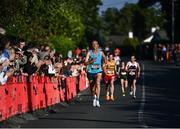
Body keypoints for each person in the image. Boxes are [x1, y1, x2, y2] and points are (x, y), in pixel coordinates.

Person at [85, 40, 107, 107]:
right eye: (93, 44)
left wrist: (104, 63)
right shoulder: (89, 53)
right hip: (90, 71)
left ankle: (97, 99)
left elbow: (105, 59)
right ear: (92, 45)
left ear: (98, 45)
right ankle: (94, 97)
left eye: (96, 44)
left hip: (98, 71)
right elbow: (85, 63)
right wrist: (91, 61)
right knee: (92, 87)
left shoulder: (101, 52)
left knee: (98, 83)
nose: (94, 45)